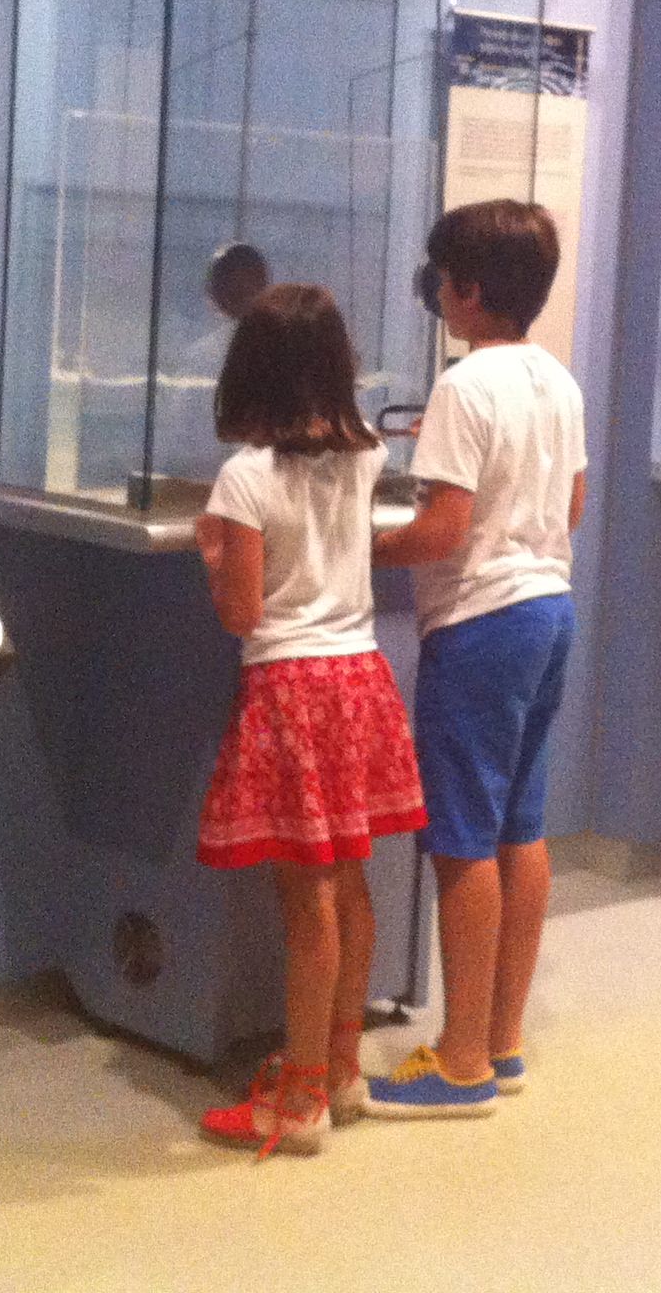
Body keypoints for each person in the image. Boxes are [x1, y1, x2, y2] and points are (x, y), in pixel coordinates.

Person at [193, 283, 428, 1157]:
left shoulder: (245, 478)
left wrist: (214, 549)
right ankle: (339, 1067)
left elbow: (241, 611)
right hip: (358, 677)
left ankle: (296, 1101)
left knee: (307, 898)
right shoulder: (363, 457)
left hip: (290, 688)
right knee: (354, 881)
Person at [367, 200, 585, 1119]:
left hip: (481, 624)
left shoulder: (463, 389)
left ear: (470, 289)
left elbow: (444, 530)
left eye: (443, 280)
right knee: (519, 829)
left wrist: (357, 546)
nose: (439, 297)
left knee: (461, 837)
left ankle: (458, 1064)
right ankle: (500, 1038)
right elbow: (569, 509)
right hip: (548, 607)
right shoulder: (557, 380)